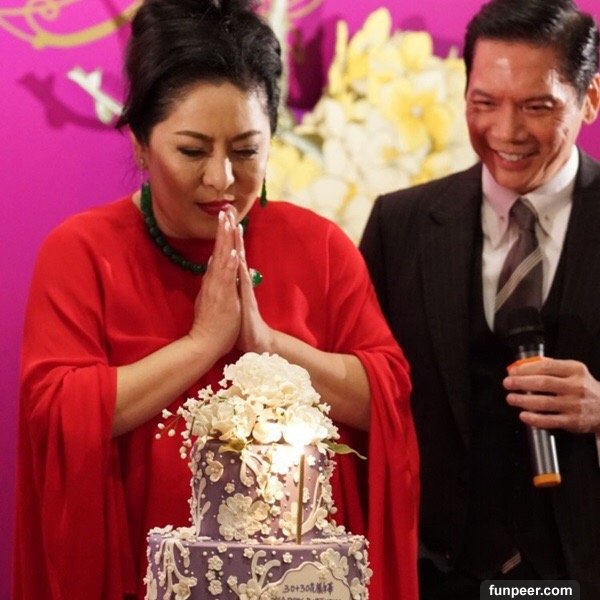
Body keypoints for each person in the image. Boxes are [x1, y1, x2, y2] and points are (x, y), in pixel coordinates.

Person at [12, 1, 419, 598]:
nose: (222, 178)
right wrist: (202, 343)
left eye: (247, 150)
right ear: (140, 144)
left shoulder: (321, 246)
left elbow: (384, 397)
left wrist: (268, 345)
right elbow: (55, 411)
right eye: (193, 150)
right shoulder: (81, 252)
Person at [360, 0, 600, 598]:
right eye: (485, 103)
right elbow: (362, 392)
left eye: (537, 107)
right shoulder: (401, 225)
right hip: (435, 573)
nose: (507, 132)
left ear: (590, 99)